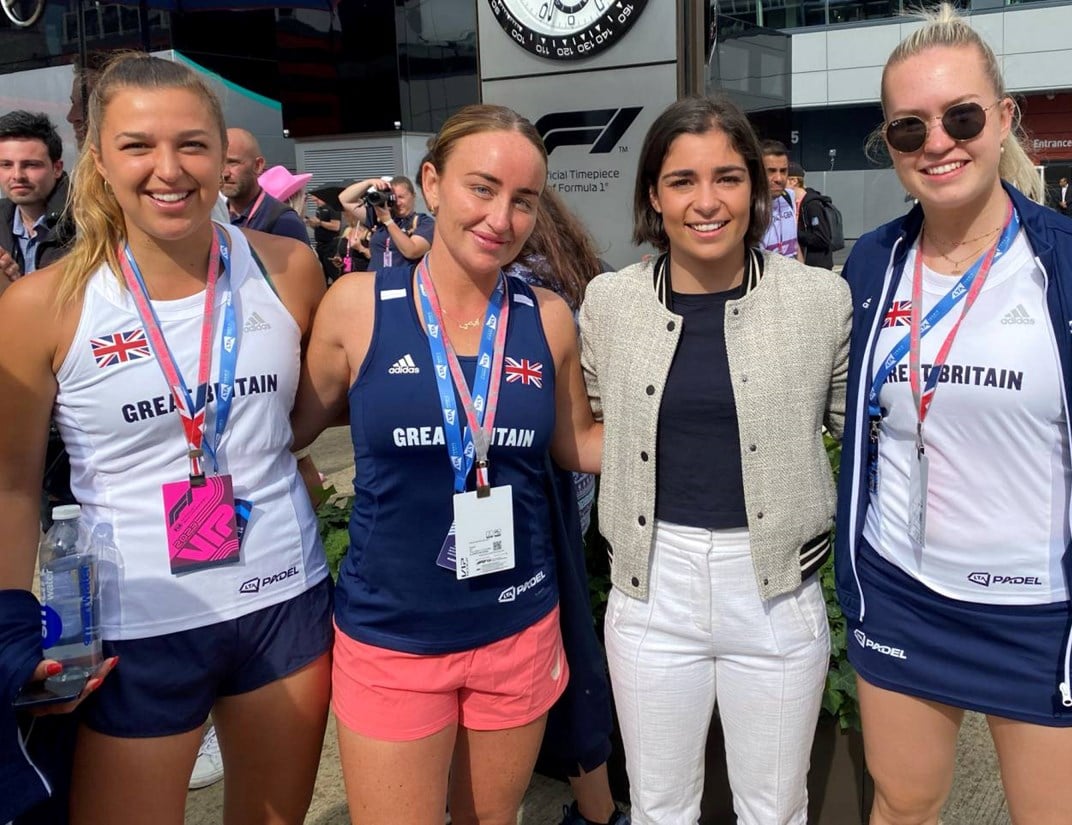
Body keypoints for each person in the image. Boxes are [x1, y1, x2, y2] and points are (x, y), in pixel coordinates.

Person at [835, 6, 1072, 825]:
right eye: (909, 127)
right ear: (888, 144)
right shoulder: (870, 264)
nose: (938, 142)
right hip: (902, 595)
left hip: (1044, 618)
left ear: (1003, 119)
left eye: (962, 116)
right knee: (901, 804)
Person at [0, 53, 333, 824]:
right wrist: (15, 624)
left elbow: (300, 425)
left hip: (283, 598)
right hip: (131, 625)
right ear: (99, 162)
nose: (168, 169)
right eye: (139, 146)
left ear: (224, 156)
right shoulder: (41, 304)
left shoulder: (288, 267)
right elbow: (13, 483)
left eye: (191, 144)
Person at [291, 103, 602, 825]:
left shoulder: (548, 315)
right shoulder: (356, 306)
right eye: (482, 188)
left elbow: (577, 443)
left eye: (524, 199)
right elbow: (288, 431)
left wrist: (694, 418)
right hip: (394, 635)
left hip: (517, 626)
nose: (503, 216)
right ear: (431, 183)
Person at [578, 96, 851, 824]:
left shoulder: (821, 300)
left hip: (775, 590)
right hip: (650, 585)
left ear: (757, 191)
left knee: (774, 807)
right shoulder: (610, 303)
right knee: (661, 805)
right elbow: (598, 425)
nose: (707, 201)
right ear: (652, 196)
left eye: (729, 178)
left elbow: (861, 435)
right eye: (682, 181)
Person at [505, 187, 628, 825]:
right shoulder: (584, 277)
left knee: (542, 645)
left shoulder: (521, 294)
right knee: (568, 638)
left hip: (528, 492)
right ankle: (598, 809)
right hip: (569, 491)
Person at [0, 110, 71, 290]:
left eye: (30, 165)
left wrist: (14, 291)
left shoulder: (88, 222)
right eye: (6, 165)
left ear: (57, 168)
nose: (17, 176)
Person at [221, 127, 311, 246]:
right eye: (219, 163)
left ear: (258, 165)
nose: (225, 173)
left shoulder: (284, 222)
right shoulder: (214, 217)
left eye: (233, 162)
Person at [338, 174, 434, 272]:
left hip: (402, 283)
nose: (398, 202)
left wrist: (388, 222)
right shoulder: (379, 218)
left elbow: (412, 251)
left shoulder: (424, 222)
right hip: (375, 281)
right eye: (394, 198)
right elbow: (345, 200)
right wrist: (369, 182)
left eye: (401, 197)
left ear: (413, 196)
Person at [759, 139, 801, 259]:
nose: (779, 178)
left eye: (783, 171)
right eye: (771, 171)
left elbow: (795, 246)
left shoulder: (789, 196)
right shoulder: (748, 206)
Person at [306, 194, 343, 283]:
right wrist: (311, 223)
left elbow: (336, 226)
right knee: (322, 272)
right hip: (320, 245)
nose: (315, 202)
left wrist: (319, 223)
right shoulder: (319, 209)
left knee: (332, 270)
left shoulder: (332, 208)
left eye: (317, 200)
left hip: (330, 245)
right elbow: (318, 225)